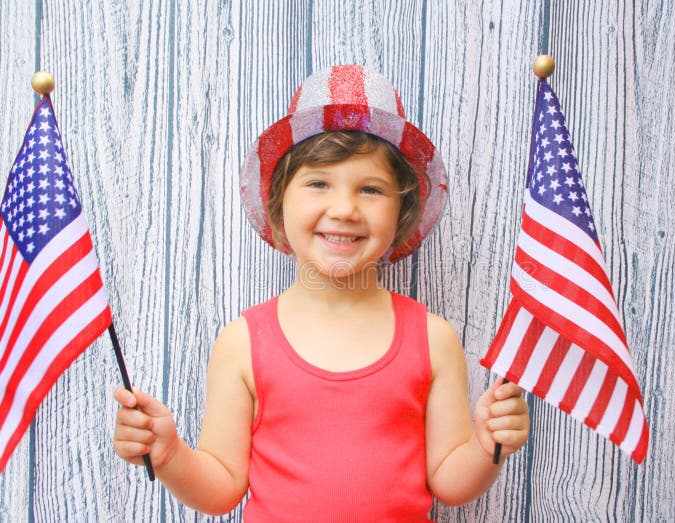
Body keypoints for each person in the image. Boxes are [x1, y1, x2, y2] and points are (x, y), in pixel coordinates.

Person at [113, 64, 530, 521]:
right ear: (279, 200)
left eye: (371, 189)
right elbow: (221, 489)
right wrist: (170, 455)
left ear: (402, 211)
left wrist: (486, 443)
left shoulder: (432, 339)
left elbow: (450, 481)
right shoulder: (242, 342)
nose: (345, 208)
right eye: (318, 184)